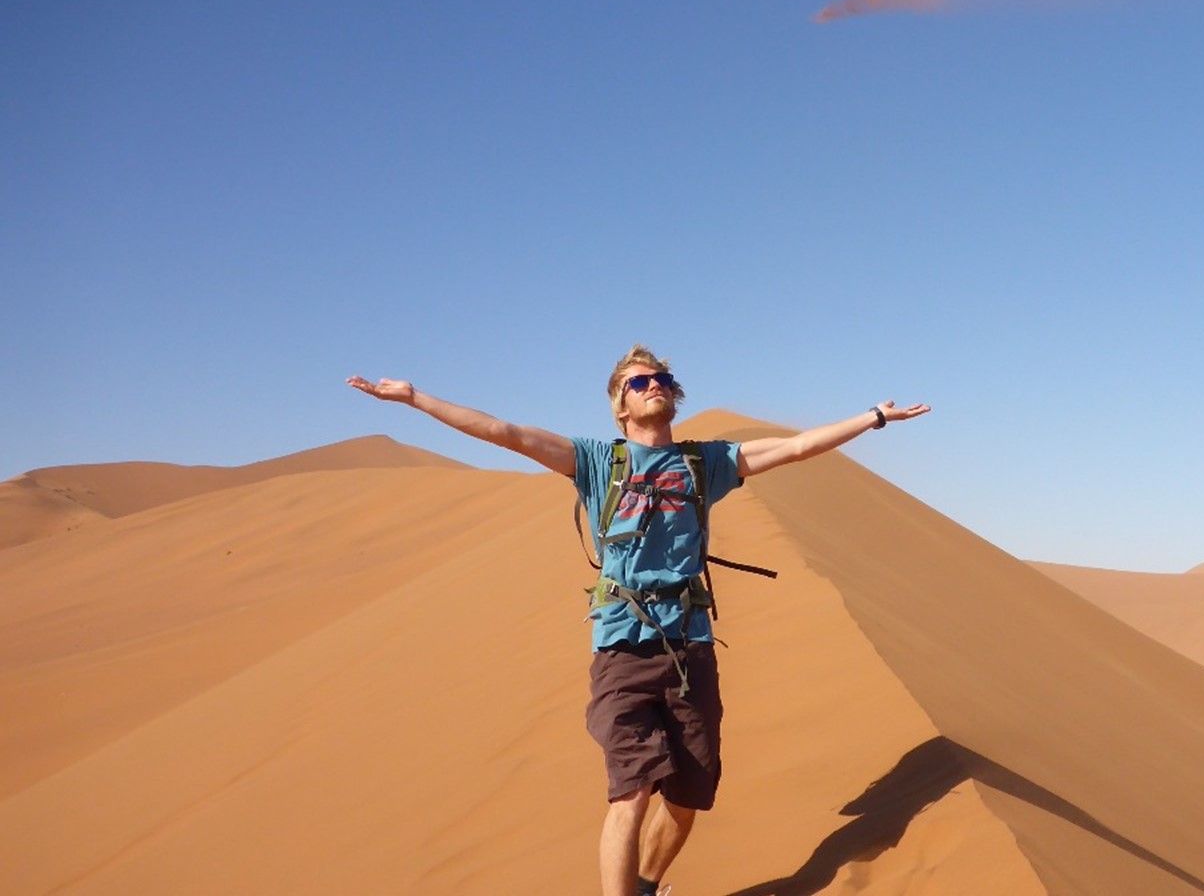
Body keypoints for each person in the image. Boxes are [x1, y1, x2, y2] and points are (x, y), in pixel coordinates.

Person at [348, 344, 929, 896]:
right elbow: (506, 433)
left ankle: (647, 886)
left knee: (690, 794)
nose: (655, 387)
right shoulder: (597, 461)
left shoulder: (706, 463)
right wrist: (416, 398)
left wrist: (873, 417)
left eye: (663, 380)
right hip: (623, 648)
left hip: (690, 646)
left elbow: (796, 447)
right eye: (640, 381)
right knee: (631, 790)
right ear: (619, 405)